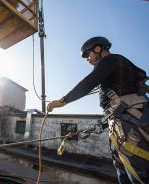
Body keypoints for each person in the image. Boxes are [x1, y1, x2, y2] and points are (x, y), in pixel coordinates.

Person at [47, 36, 149, 184]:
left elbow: (89, 81)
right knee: (124, 172)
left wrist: (63, 100)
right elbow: (113, 108)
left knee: (139, 175)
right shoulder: (111, 70)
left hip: (131, 124)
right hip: (120, 125)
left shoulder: (112, 60)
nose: (87, 59)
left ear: (97, 49)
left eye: (88, 55)